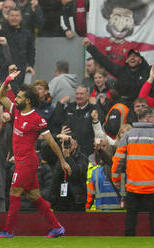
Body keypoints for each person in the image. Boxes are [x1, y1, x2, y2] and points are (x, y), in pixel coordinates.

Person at [0, 71, 71, 238]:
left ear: (27, 101)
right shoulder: (17, 111)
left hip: (27, 162)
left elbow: (50, 141)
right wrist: (6, 81)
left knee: (14, 192)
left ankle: (8, 231)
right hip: (21, 161)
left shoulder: (37, 119)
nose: (16, 99)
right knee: (35, 196)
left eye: (19, 97)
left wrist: (63, 161)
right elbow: (1, 96)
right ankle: (57, 227)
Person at [112, 107, 154, 236]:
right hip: (152, 186)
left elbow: (118, 160)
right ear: (147, 118)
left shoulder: (128, 135)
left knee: (130, 218)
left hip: (133, 185)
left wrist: (116, 179)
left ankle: (129, 240)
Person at [82, 38, 152, 107]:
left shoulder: (148, 71)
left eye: (135, 56)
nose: (132, 58)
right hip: (123, 106)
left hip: (143, 107)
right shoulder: (121, 71)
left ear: (140, 60)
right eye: (130, 56)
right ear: (126, 60)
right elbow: (104, 61)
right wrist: (90, 47)